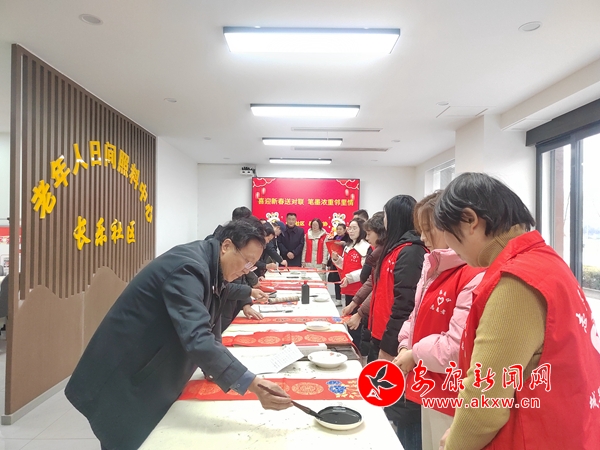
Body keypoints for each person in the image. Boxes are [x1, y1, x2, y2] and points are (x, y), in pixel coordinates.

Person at [65, 220, 292, 450]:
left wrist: (214, 367)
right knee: (129, 439)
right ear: (226, 246)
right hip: (125, 376)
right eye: (247, 262)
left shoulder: (213, 267)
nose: (247, 270)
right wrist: (251, 383)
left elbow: (211, 315)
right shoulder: (188, 268)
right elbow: (197, 336)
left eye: (252, 266)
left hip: (147, 371)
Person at [433, 173, 600, 450]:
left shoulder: (516, 282)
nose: (447, 245)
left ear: (470, 220)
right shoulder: (546, 262)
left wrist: (455, 443)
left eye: (445, 232)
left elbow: (485, 399)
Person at [391, 191, 485, 450]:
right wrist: (405, 345)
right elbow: (416, 313)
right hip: (427, 381)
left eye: (427, 229)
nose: (422, 238)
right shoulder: (433, 266)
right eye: (420, 230)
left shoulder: (472, 273)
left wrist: (414, 353)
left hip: (452, 392)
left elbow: (457, 346)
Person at [343, 212, 386, 358]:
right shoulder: (351, 246)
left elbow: (378, 286)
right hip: (360, 295)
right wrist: (354, 303)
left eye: (354, 228)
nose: (367, 238)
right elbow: (371, 280)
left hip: (377, 310)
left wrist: (360, 313)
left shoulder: (378, 251)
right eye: (349, 228)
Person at [331, 217, 370, 346]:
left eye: (354, 228)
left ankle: (358, 348)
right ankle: (352, 344)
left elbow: (365, 270)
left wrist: (350, 277)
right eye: (350, 228)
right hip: (348, 288)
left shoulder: (365, 247)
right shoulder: (348, 246)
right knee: (348, 319)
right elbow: (345, 266)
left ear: (362, 230)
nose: (351, 231)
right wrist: (337, 259)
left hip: (359, 290)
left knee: (357, 323)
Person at [327, 223, 350, 305]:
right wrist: (329, 262)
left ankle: (347, 300)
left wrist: (343, 244)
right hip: (335, 262)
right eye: (337, 229)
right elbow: (331, 250)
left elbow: (349, 248)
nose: (339, 231)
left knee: (345, 281)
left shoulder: (348, 238)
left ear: (345, 230)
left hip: (344, 262)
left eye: (340, 229)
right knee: (336, 281)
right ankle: (338, 299)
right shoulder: (335, 237)